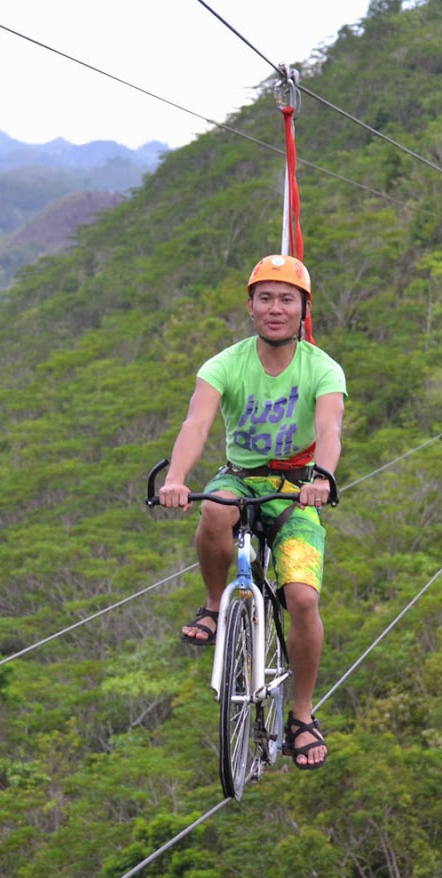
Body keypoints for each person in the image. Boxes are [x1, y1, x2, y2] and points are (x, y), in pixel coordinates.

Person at [157, 253, 346, 770]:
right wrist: (176, 479)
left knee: (302, 598)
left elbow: (329, 429)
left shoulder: (322, 369)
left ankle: (302, 715)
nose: (276, 308)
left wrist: (322, 481)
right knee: (215, 507)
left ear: (304, 308)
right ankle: (217, 605)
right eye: (266, 298)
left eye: (287, 299)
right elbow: (197, 423)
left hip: (299, 489)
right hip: (240, 478)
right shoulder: (225, 364)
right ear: (250, 305)